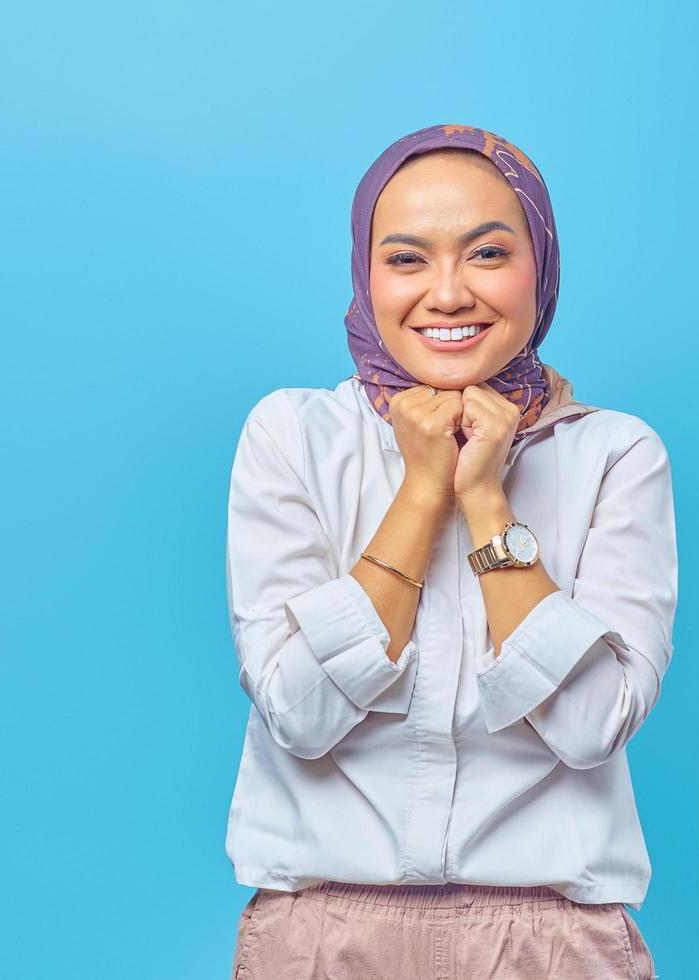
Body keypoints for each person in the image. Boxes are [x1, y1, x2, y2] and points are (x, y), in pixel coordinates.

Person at [223, 123, 675, 979]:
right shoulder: (292, 435)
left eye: (487, 253)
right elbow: (300, 716)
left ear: (539, 265)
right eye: (406, 260)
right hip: (319, 940)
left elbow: (588, 727)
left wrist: (483, 493)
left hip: (554, 944)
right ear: (366, 275)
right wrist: (423, 493)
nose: (448, 293)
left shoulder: (615, 454)